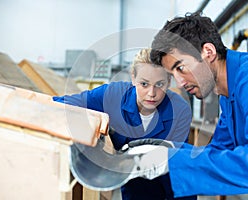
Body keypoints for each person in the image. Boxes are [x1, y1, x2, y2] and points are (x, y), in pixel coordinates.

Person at [128, 12, 248, 199]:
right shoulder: (229, 94)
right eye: (173, 75)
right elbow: (218, 151)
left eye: (181, 68)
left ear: (208, 52)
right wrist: (162, 152)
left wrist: (171, 162)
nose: (180, 83)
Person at [53, 48, 195, 200]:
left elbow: (180, 166)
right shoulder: (113, 95)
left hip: (175, 185)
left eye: (159, 84)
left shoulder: (179, 110)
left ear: (168, 82)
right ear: (133, 78)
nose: (151, 93)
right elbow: (65, 104)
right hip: (135, 185)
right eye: (144, 84)